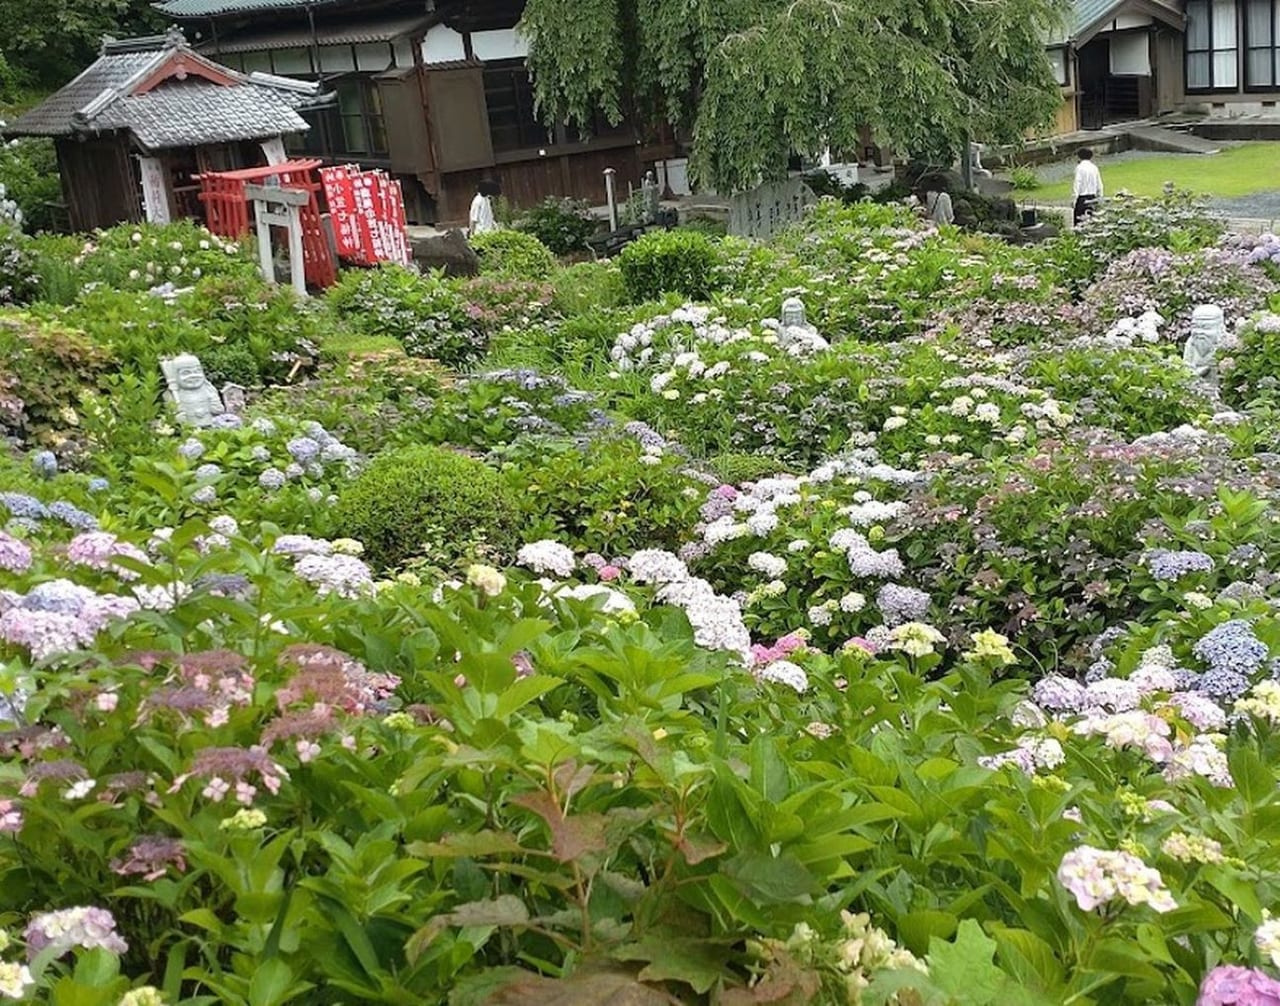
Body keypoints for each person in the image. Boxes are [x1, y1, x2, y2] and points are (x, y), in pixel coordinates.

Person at [1072, 148, 1103, 226]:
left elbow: (1077, 183)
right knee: (1092, 220)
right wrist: (1100, 196)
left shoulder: (1079, 168)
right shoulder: (1094, 168)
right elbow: (1099, 184)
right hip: (1093, 197)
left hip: (1082, 198)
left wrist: (1074, 199)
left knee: (1080, 221)